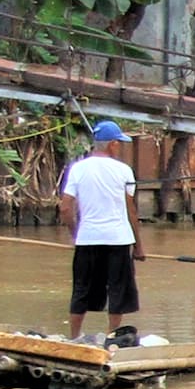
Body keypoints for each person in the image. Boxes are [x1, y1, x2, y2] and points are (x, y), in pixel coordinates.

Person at [58, 121, 142, 344]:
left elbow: (65, 208)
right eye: (119, 144)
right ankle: (112, 337)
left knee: (81, 288)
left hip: (88, 240)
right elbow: (130, 210)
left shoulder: (77, 169)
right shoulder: (124, 171)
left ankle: (74, 337)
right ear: (113, 144)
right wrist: (139, 246)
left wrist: (75, 234)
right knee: (118, 289)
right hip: (118, 240)